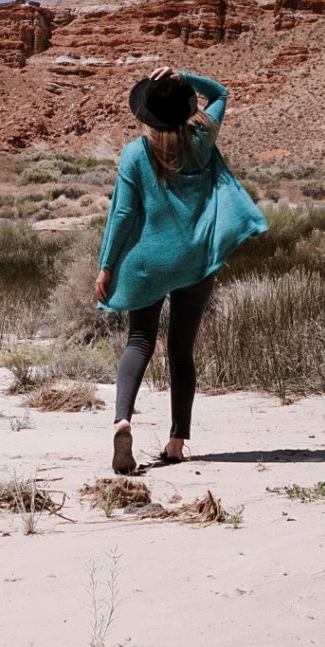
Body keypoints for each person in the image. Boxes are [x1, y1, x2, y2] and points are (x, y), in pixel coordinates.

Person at [96, 66, 268, 474]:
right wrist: (183, 75)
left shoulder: (135, 153)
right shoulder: (201, 140)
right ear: (185, 108)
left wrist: (105, 266)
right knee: (181, 351)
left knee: (138, 342)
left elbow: (121, 215)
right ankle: (176, 442)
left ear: (146, 114)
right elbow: (222, 91)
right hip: (194, 263)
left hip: (148, 264)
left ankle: (123, 419)